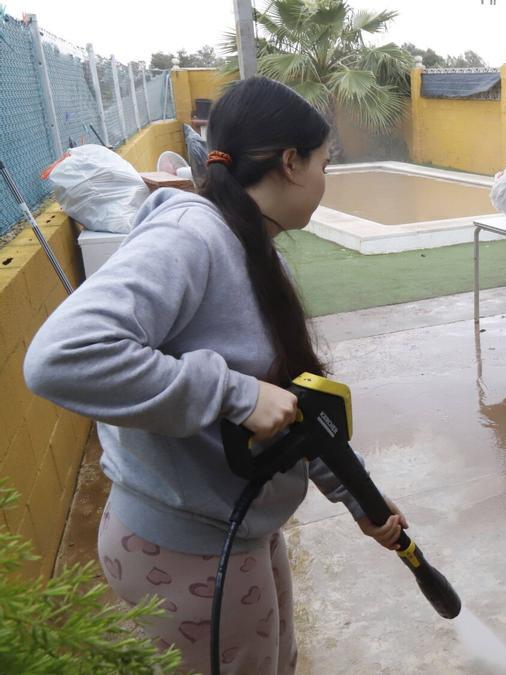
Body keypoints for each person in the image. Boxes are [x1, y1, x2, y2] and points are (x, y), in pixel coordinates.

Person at [23, 77, 408, 674]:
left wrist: (359, 498)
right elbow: (63, 357)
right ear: (290, 163)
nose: (325, 182)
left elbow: (293, 404)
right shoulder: (191, 237)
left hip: (236, 529)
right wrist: (232, 391)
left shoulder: (254, 246)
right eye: (324, 164)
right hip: (182, 543)